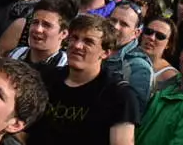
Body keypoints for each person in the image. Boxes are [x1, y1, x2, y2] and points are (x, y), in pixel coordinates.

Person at [37, 14, 141, 145]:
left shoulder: (120, 95)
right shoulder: (45, 78)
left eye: (88, 42)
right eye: (74, 38)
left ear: (106, 53)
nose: (77, 46)